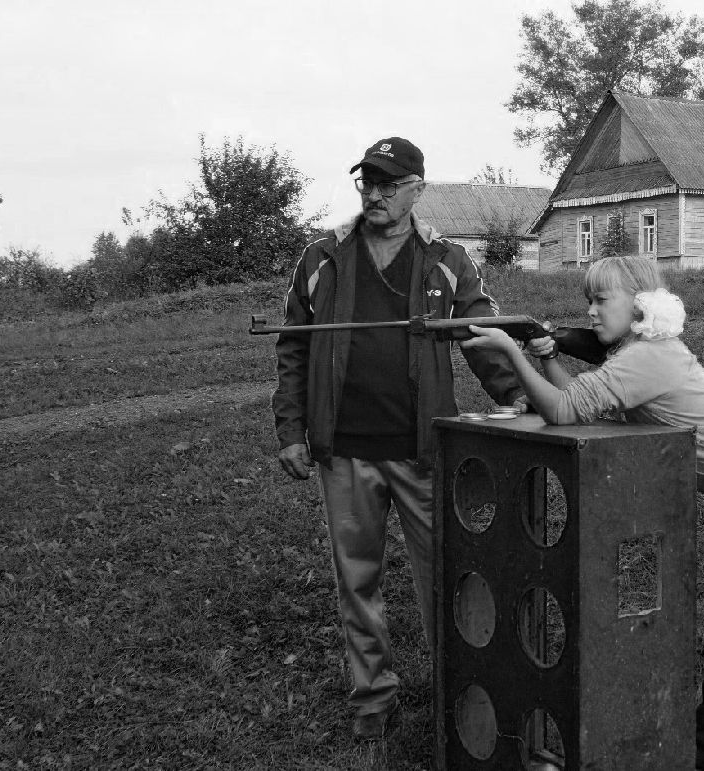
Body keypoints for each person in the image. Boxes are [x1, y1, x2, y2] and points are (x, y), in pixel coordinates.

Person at [459, 256, 704, 771]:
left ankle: (698, 755)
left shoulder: (644, 360)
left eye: (602, 301)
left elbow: (560, 410)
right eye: (590, 301)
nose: (593, 312)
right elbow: (577, 401)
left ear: (641, 303)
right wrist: (551, 353)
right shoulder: (642, 352)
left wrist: (513, 352)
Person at [270, 136, 524, 740]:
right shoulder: (321, 258)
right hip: (343, 450)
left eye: (389, 184)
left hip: (422, 452)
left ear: (417, 189)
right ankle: (373, 698)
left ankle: (462, 694)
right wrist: (291, 430)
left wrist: (518, 396)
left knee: (449, 580)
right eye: (368, 183)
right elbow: (292, 347)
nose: (376, 194)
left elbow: (481, 334)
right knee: (356, 583)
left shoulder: (446, 258)